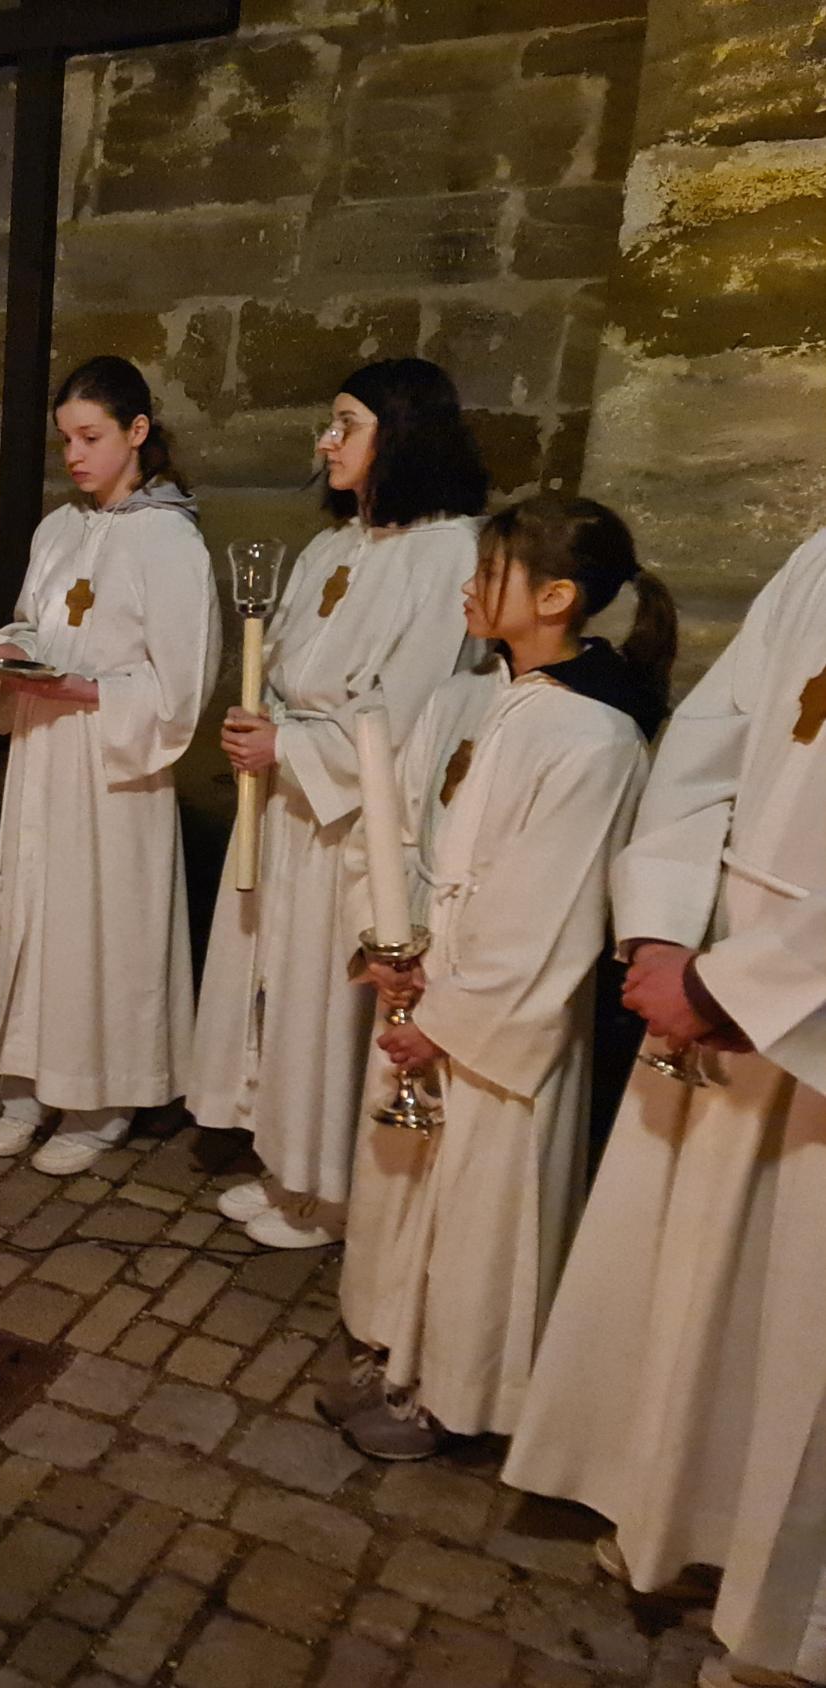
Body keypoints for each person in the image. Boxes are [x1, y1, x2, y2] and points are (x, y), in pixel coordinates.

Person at [501, 527, 826, 1688]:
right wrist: (669, 926)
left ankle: (786, 1634)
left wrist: (743, 984)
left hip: (795, 1004)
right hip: (723, 965)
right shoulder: (820, 557)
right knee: (709, 1296)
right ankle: (689, 1528)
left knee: (805, 1334)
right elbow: (715, 742)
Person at [328, 497, 672, 1461]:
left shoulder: (595, 738)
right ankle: (396, 1347)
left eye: (490, 575)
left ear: (556, 598)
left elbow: (550, 913)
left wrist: (448, 1017)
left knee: (482, 1204)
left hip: (493, 1020)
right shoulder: (463, 696)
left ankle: (456, 1387)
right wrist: (388, 946)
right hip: (424, 978)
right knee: (404, 1184)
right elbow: (396, 830)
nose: (469, 590)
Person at [189, 358, 490, 1250]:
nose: (326, 442)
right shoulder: (335, 546)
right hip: (290, 798)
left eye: (345, 423)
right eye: (330, 421)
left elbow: (418, 708)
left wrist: (297, 745)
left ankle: (332, 1189)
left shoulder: (448, 555)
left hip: (357, 816)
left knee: (329, 994)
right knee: (279, 983)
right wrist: (264, 720)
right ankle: (287, 1165)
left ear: (401, 435)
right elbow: (285, 658)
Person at [0, 357, 220, 1174]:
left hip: (112, 767)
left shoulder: (170, 542)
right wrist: (15, 650)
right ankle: (30, 1084)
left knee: (100, 929)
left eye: (91, 437)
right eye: (65, 441)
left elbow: (181, 682)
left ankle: (101, 1100)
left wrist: (91, 690)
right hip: (48, 750)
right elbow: (33, 620)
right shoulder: (60, 529)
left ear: (138, 433)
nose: (74, 456)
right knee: (41, 917)